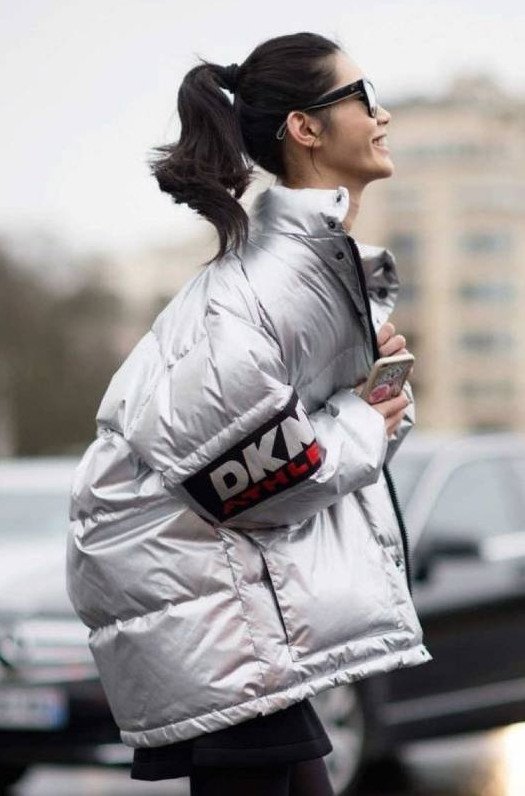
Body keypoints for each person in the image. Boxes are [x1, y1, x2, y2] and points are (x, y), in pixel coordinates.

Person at [66, 31, 432, 796]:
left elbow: (297, 454)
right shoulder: (267, 283)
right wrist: (366, 417)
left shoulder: (312, 265)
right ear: (305, 128)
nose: (383, 115)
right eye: (362, 98)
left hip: (234, 600)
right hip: (206, 605)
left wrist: (372, 407)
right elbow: (247, 482)